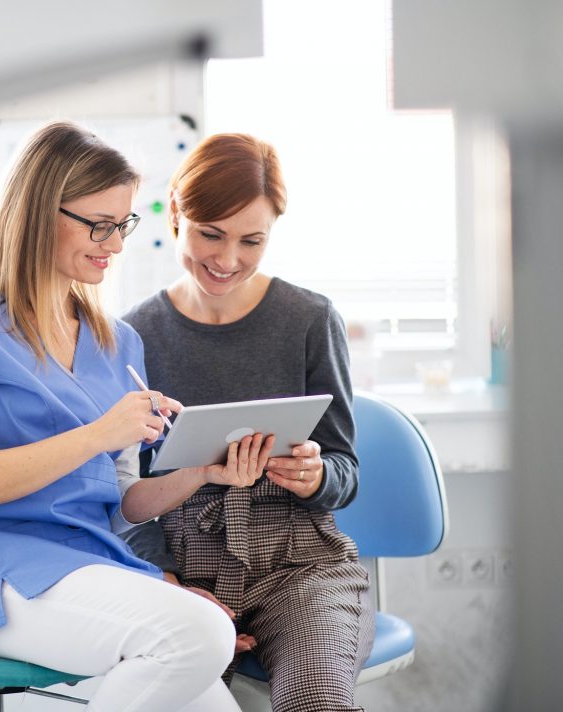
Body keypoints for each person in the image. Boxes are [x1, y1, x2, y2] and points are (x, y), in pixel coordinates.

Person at [0, 122, 253, 712]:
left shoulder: (116, 343)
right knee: (198, 636)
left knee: (211, 688)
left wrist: (201, 475)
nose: (114, 244)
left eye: (122, 225)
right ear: (39, 213)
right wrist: (100, 432)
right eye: (99, 224)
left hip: (90, 562)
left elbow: (121, 499)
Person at [121, 133, 375, 712]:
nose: (227, 259)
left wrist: (316, 477)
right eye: (210, 234)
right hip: (186, 566)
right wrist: (166, 582)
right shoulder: (133, 337)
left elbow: (344, 470)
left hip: (300, 563)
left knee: (316, 701)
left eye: (251, 241)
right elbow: (124, 495)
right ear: (178, 213)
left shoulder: (310, 319)